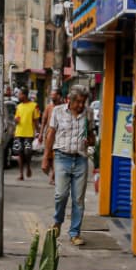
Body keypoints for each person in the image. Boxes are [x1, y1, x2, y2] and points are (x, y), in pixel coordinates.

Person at [42, 87, 96, 247]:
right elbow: (51, 134)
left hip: (81, 159)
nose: (80, 105)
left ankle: (74, 233)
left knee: (78, 199)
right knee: (61, 195)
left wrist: (90, 140)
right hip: (61, 157)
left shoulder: (88, 113)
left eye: (83, 102)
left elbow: (92, 136)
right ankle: (57, 222)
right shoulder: (58, 111)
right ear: (69, 100)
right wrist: (46, 157)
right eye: (78, 102)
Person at [13, 88, 41, 181]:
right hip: (18, 133)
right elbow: (16, 119)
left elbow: (36, 121)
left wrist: (39, 133)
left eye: (20, 94)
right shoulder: (18, 106)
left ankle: (28, 166)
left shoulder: (34, 106)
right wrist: (15, 120)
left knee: (27, 152)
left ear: (24, 95)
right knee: (19, 153)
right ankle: (21, 174)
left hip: (29, 134)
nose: (18, 96)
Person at [40, 87, 64, 185]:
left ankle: (53, 176)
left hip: (59, 136)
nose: (52, 96)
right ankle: (52, 173)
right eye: (51, 95)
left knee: (56, 156)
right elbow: (44, 121)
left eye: (54, 95)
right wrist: (40, 134)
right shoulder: (48, 107)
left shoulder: (64, 107)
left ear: (59, 96)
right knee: (49, 157)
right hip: (49, 135)